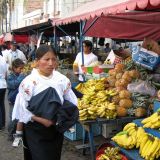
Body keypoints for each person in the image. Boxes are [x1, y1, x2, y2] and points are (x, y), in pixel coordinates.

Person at [12, 44, 78, 160]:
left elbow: (70, 101)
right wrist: (42, 120)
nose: (51, 63)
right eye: (46, 59)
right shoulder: (29, 82)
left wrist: (62, 118)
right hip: (35, 130)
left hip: (55, 130)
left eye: (53, 59)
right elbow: (22, 109)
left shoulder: (61, 80)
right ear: (37, 61)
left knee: (54, 156)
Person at [7, 58, 26, 142]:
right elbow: (13, 85)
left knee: (20, 118)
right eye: (20, 68)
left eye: (23, 68)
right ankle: (10, 134)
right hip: (13, 101)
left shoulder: (22, 75)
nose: (22, 70)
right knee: (13, 118)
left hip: (21, 101)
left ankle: (17, 132)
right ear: (14, 68)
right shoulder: (10, 76)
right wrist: (21, 77)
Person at [0, 55, 7, 130]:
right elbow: (5, 73)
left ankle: (0, 125)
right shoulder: (3, 58)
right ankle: (2, 124)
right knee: (1, 104)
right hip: (3, 84)